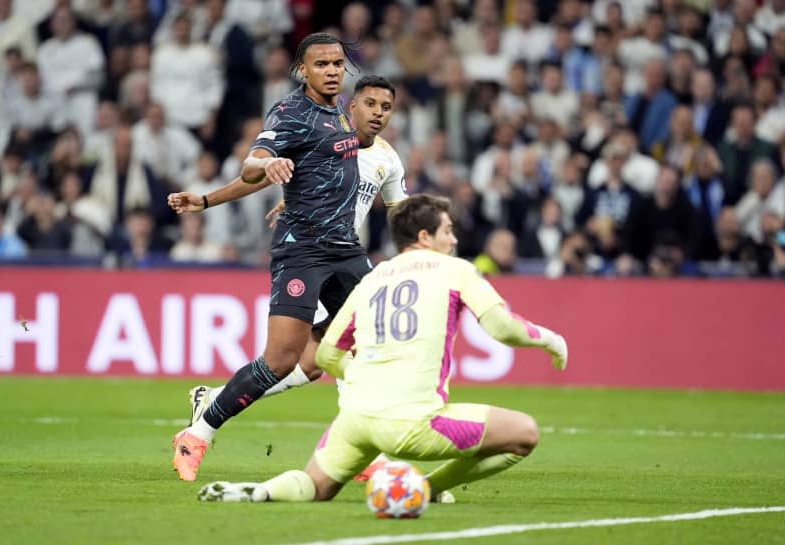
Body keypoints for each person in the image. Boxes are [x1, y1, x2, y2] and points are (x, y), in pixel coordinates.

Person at [196, 194, 568, 504]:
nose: (453, 240)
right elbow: (502, 326)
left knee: (316, 487)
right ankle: (426, 488)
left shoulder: (372, 278)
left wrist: (361, 374)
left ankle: (259, 492)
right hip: (413, 423)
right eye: (448, 231)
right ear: (425, 236)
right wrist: (551, 339)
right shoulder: (455, 270)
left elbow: (326, 354)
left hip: (355, 421)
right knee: (524, 433)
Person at [168, 34, 400, 482]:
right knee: (280, 360)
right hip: (303, 251)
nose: (332, 70)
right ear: (303, 71)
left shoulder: (341, 113)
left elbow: (315, 169)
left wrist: (209, 199)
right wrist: (264, 167)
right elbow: (255, 164)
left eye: (337, 63)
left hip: (345, 249)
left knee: (366, 344)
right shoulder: (290, 112)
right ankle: (198, 431)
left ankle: (359, 454)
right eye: (321, 64)